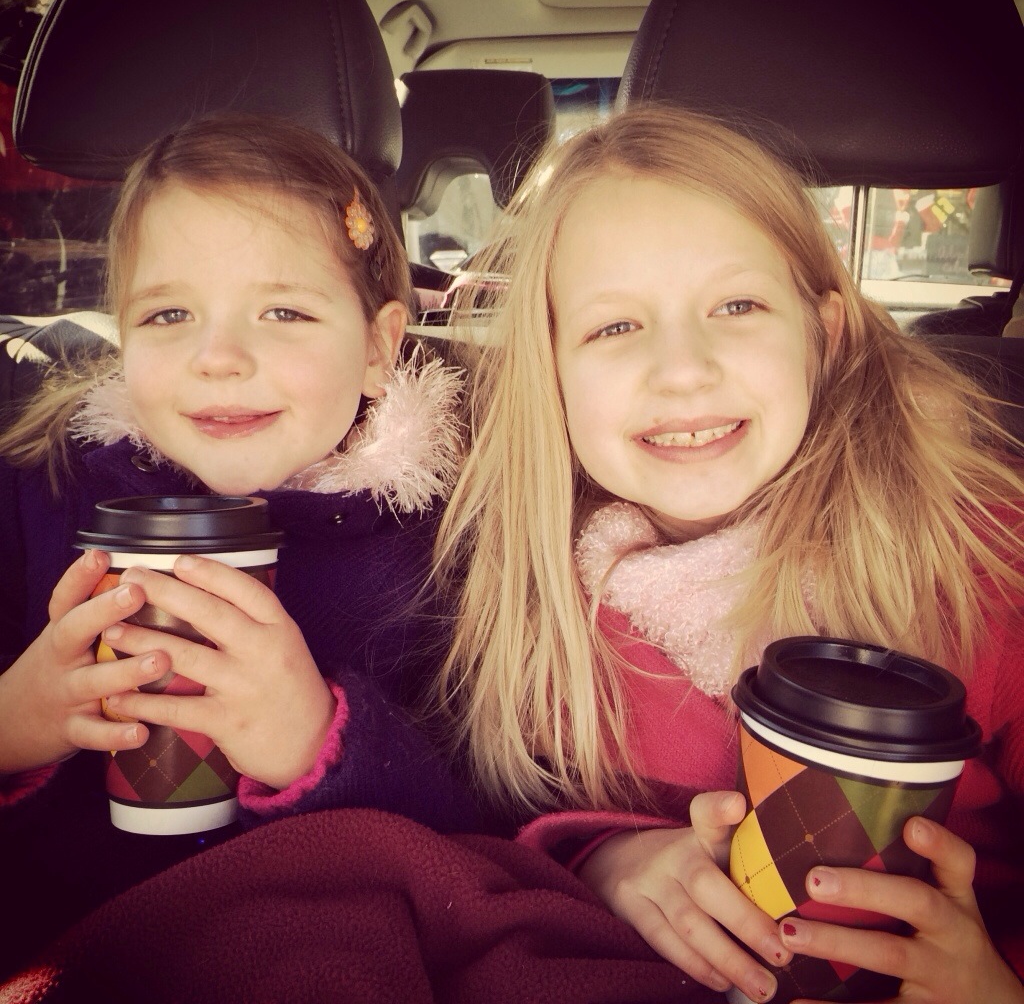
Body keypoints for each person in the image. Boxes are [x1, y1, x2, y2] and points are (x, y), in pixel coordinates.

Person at [434, 105, 1024, 1004]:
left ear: (823, 336)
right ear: (550, 372)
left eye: (737, 306)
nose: (683, 370)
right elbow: (519, 814)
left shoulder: (977, 560)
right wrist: (606, 860)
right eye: (614, 327)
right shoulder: (539, 586)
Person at [0, 112, 480, 977]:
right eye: (169, 313)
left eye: (284, 311)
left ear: (378, 347)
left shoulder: (445, 543)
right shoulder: (38, 489)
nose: (218, 357)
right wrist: (14, 724)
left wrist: (321, 743)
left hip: (329, 946)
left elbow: (492, 828)